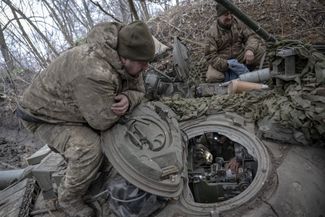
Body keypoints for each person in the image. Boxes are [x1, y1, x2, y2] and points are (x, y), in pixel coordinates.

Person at [17, 21, 155, 217]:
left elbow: (139, 90)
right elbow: (103, 121)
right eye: (143, 62)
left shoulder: (127, 57)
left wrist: (128, 98)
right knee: (89, 149)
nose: (146, 66)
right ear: (125, 58)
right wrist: (126, 100)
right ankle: (67, 199)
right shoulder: (95, 72)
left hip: (74, 105)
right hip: (43, 115)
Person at [204, 3, 266, 83]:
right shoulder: (211, 33)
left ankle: (246, 71)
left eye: (230, 13)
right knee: (212, 77)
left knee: (260, 51)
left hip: (240, 57)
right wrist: (227, 64)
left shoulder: (238, 23)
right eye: (226, 15)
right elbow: (210, 56)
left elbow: (252, 36)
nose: (229, 17)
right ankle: (237, 77)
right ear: (219, 16)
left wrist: (249, 50)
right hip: (223, 62)